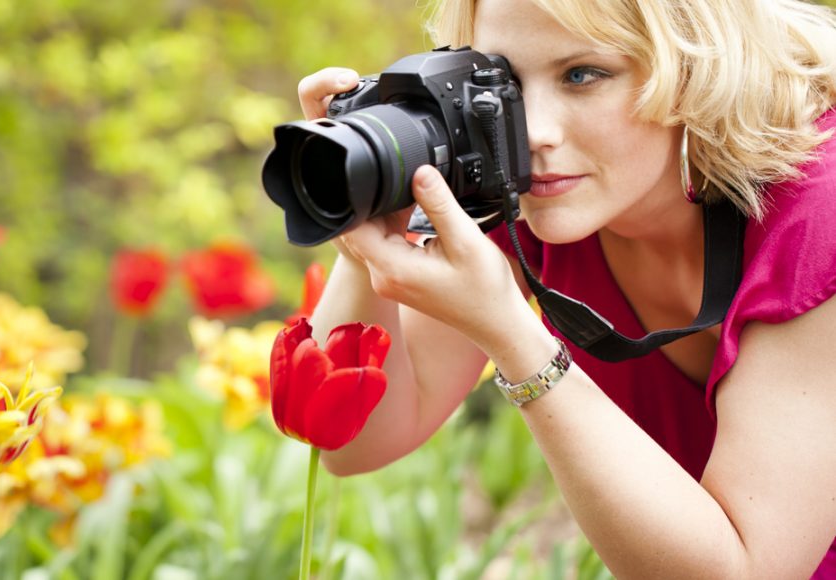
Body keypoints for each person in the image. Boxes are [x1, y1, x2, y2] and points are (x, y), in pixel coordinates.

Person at [297, 0, 836, 577]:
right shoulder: (530, 190)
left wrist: (515, 340)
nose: (532, 132)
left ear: (694, 68)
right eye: (501, 81)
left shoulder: (816, 218)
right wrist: (365, 226)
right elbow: (355, 443)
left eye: (582, 75)